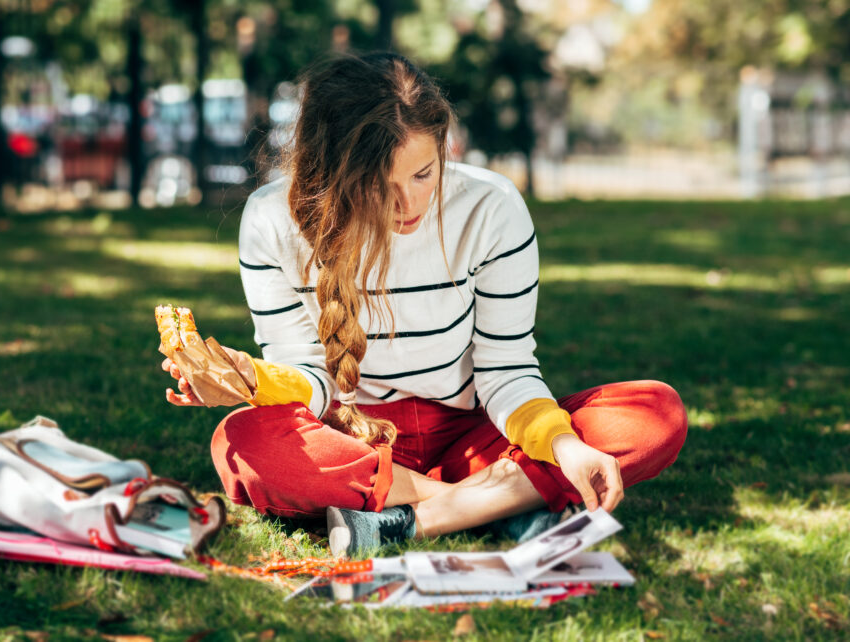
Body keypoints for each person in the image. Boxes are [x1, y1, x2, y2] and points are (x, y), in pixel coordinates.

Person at [162, 52, 687, 557]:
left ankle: (414, 520)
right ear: (333, 174)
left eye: (423, 174)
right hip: (352, 439)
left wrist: (565, 446)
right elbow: (310, 379)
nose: (408, 205)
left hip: (472, 437)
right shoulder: (272, 220)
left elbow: (506, 371)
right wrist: (253, 380)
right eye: (378, 184)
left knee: (653, 413)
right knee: (242, 442)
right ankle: (499, 505)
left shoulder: (491, 208)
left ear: (445, 149)